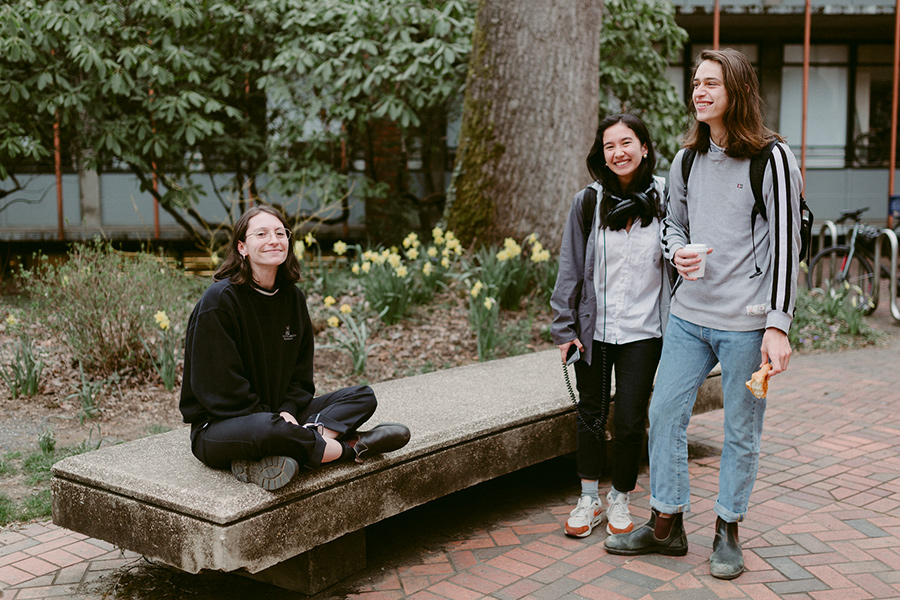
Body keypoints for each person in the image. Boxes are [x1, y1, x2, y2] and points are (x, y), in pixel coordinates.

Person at [604, 49, 802, 580]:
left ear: (736, 90)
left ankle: (728, 528)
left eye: (711, 83)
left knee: (741, 430)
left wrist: (777, 326)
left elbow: (787, 245)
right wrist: (678, 252)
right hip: (690, 318)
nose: (699, 91)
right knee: (664, 413)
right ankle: (666, 522)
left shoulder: (772, 157)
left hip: (746, 323)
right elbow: (673, 225)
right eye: (695, 83)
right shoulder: (686, 159)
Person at [179, 205, 410, 491]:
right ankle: (351, 449)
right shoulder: (220, 301)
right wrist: (274, 418)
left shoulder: (293, 298)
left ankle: (290, 449)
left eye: (280, 233)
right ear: (242, 247)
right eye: (261, 234)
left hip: (283, 417)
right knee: (266, 429)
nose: (274, 240)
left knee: (363, 396)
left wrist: (287, 411)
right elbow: (219, 390)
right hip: (223, 426)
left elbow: (301, 379)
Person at [550, 114, 670, 538]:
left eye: (626, 143)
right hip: (594, 332)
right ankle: (589, 499)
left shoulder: (666, 199)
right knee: (590, 415)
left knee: (632, 419)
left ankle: (620, 496)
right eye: (609, 146)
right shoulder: (588, 201)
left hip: (643, 332)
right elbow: (570, 269)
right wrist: (565, 329)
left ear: (645, 148)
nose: (618, 152)